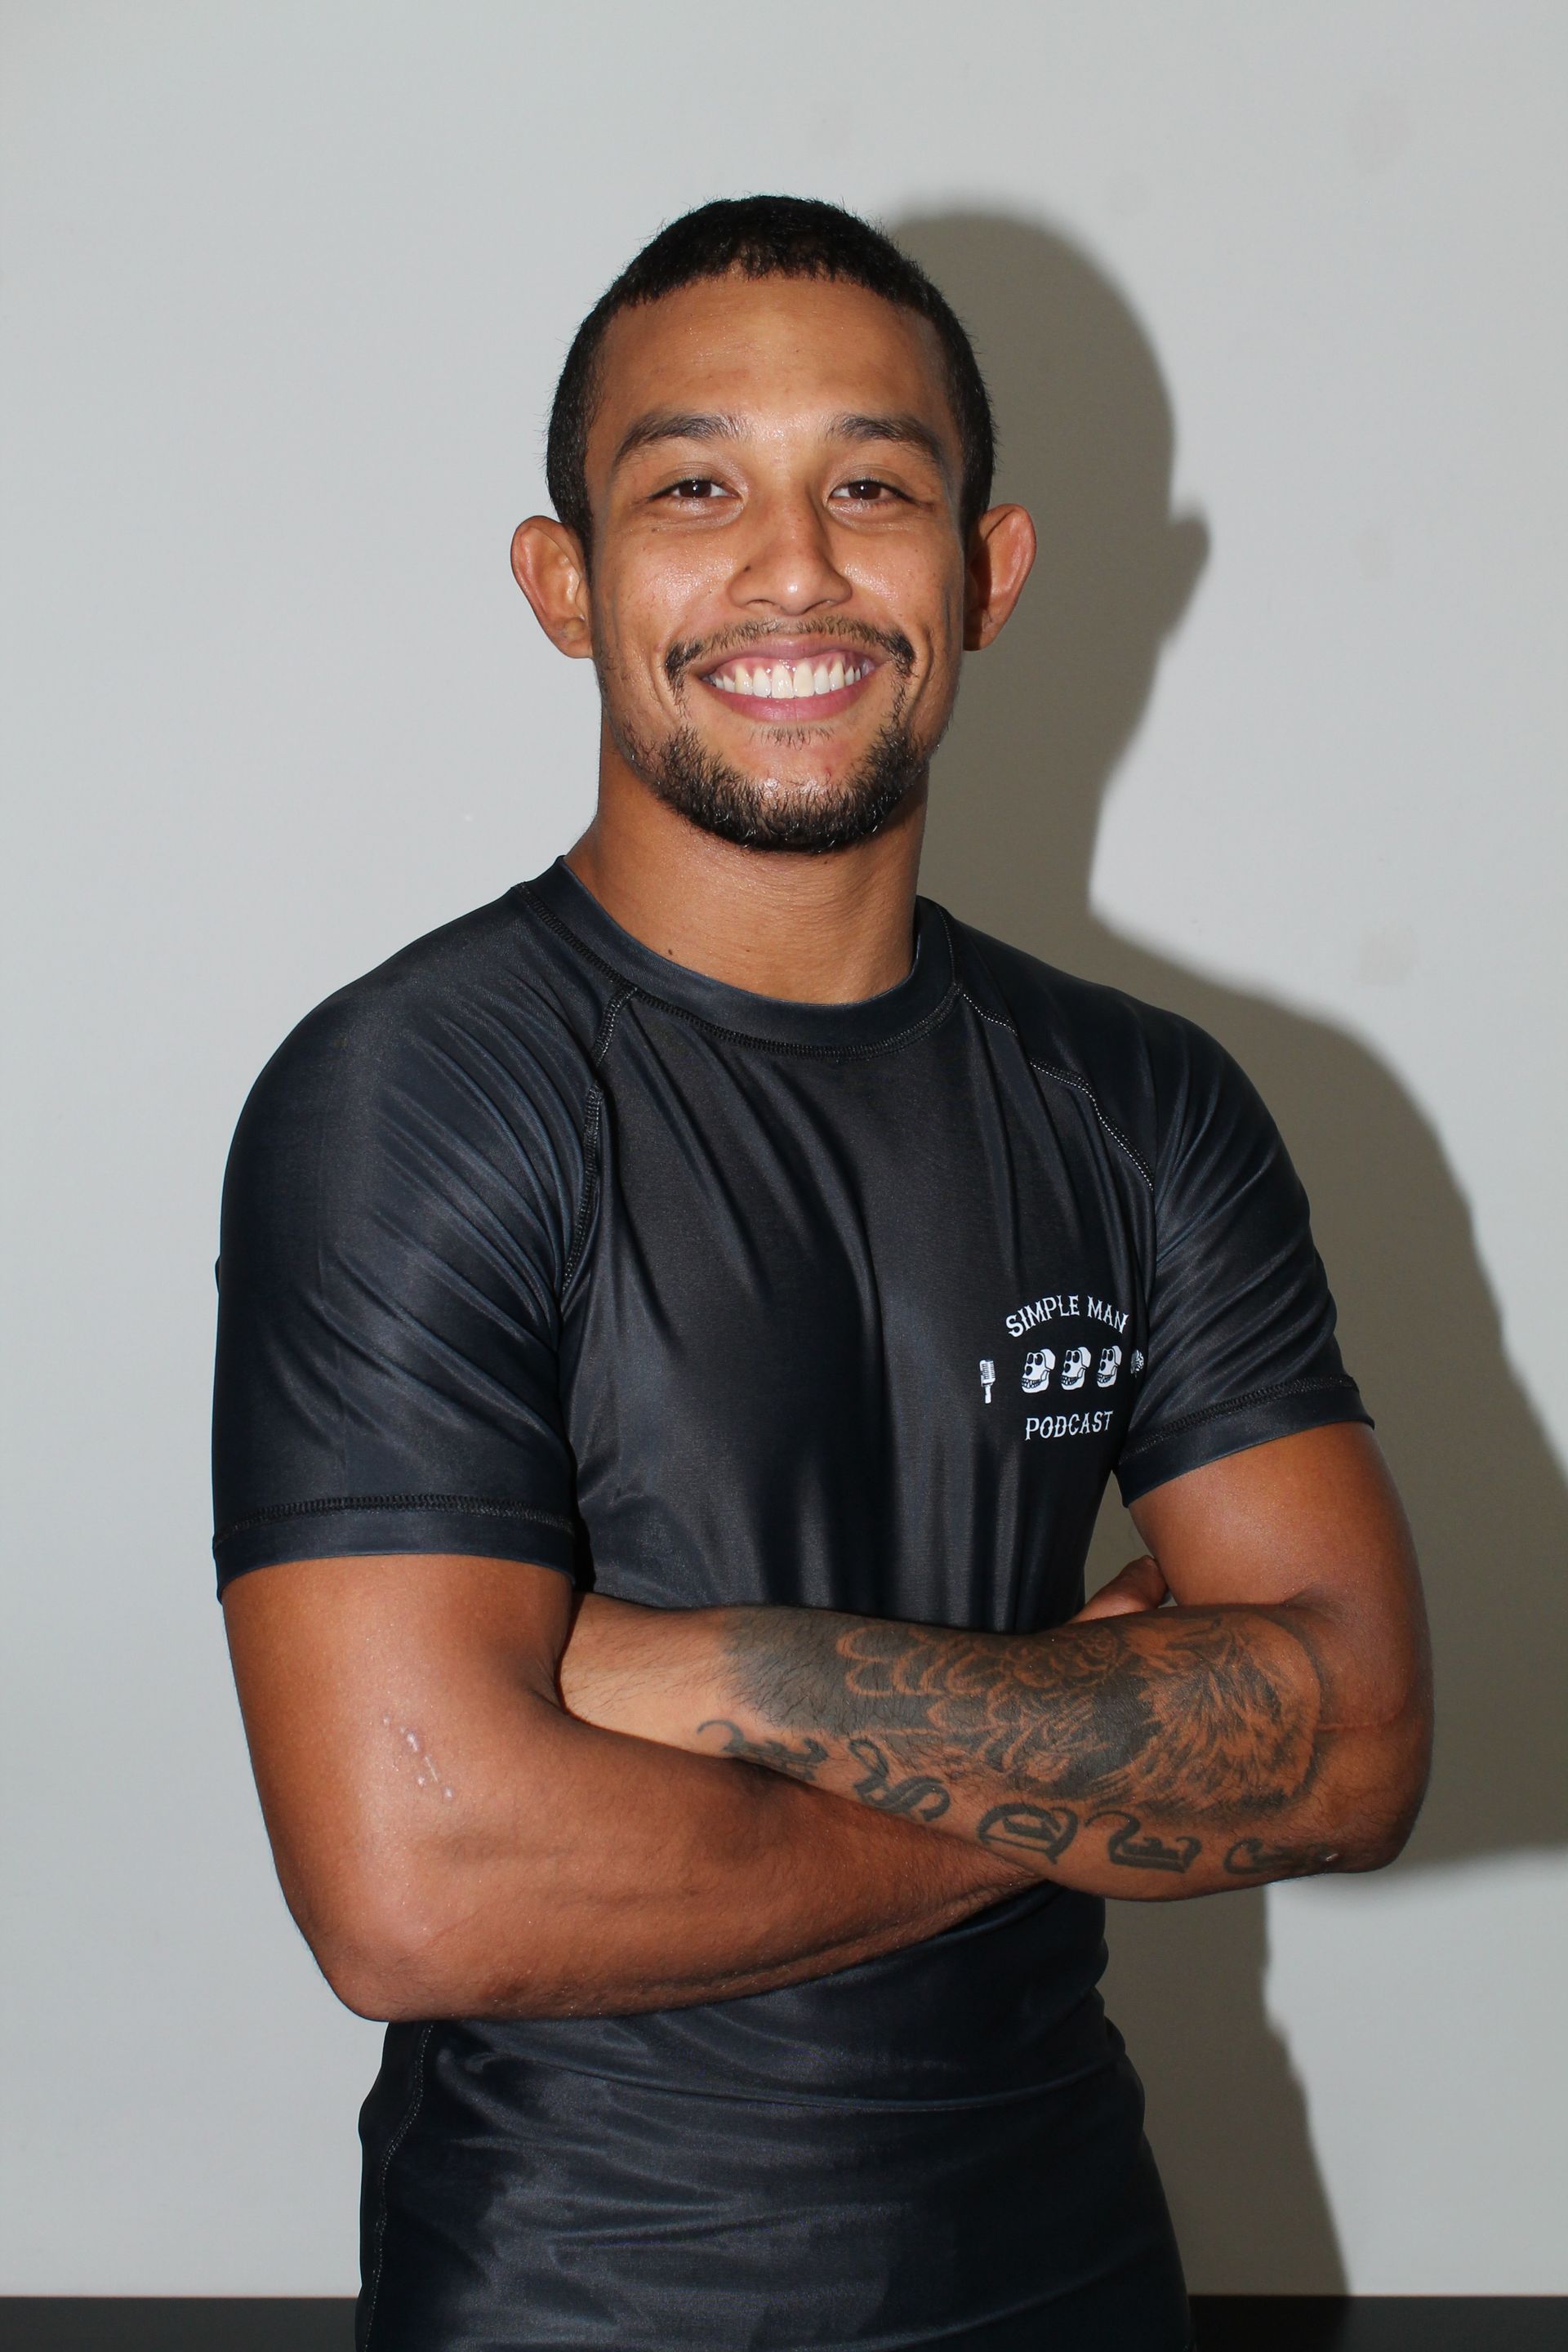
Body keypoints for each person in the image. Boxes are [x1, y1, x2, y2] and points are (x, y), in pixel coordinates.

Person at [212, 196, 1432, 2352]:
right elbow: (420, 1890)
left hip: (1079, 2274)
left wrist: (711, 1672)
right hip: (582, 2304)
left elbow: (1354, 1747)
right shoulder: (413, 1094)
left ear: (986, 572)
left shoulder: (1146, 1103)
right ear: (565, 584)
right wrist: (1075, 1765)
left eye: (873, 484)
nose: (794, 566)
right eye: (695, 488)